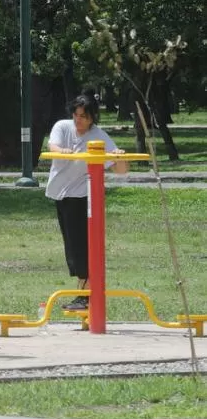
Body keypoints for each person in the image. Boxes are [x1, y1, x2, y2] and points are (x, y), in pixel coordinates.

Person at [45, 90, 128, 310]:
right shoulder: (62, 127)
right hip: (61, 193)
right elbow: (52, 147)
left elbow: (121, 170)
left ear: (93, 117)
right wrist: (63, 151)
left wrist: (118, 156)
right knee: (72, 246)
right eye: (77, 115)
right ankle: (84, 293)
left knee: (81, 246)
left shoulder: (98, 135)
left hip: (82, 196)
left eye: (84, 116)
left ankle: (85, 295)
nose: (79, 120)